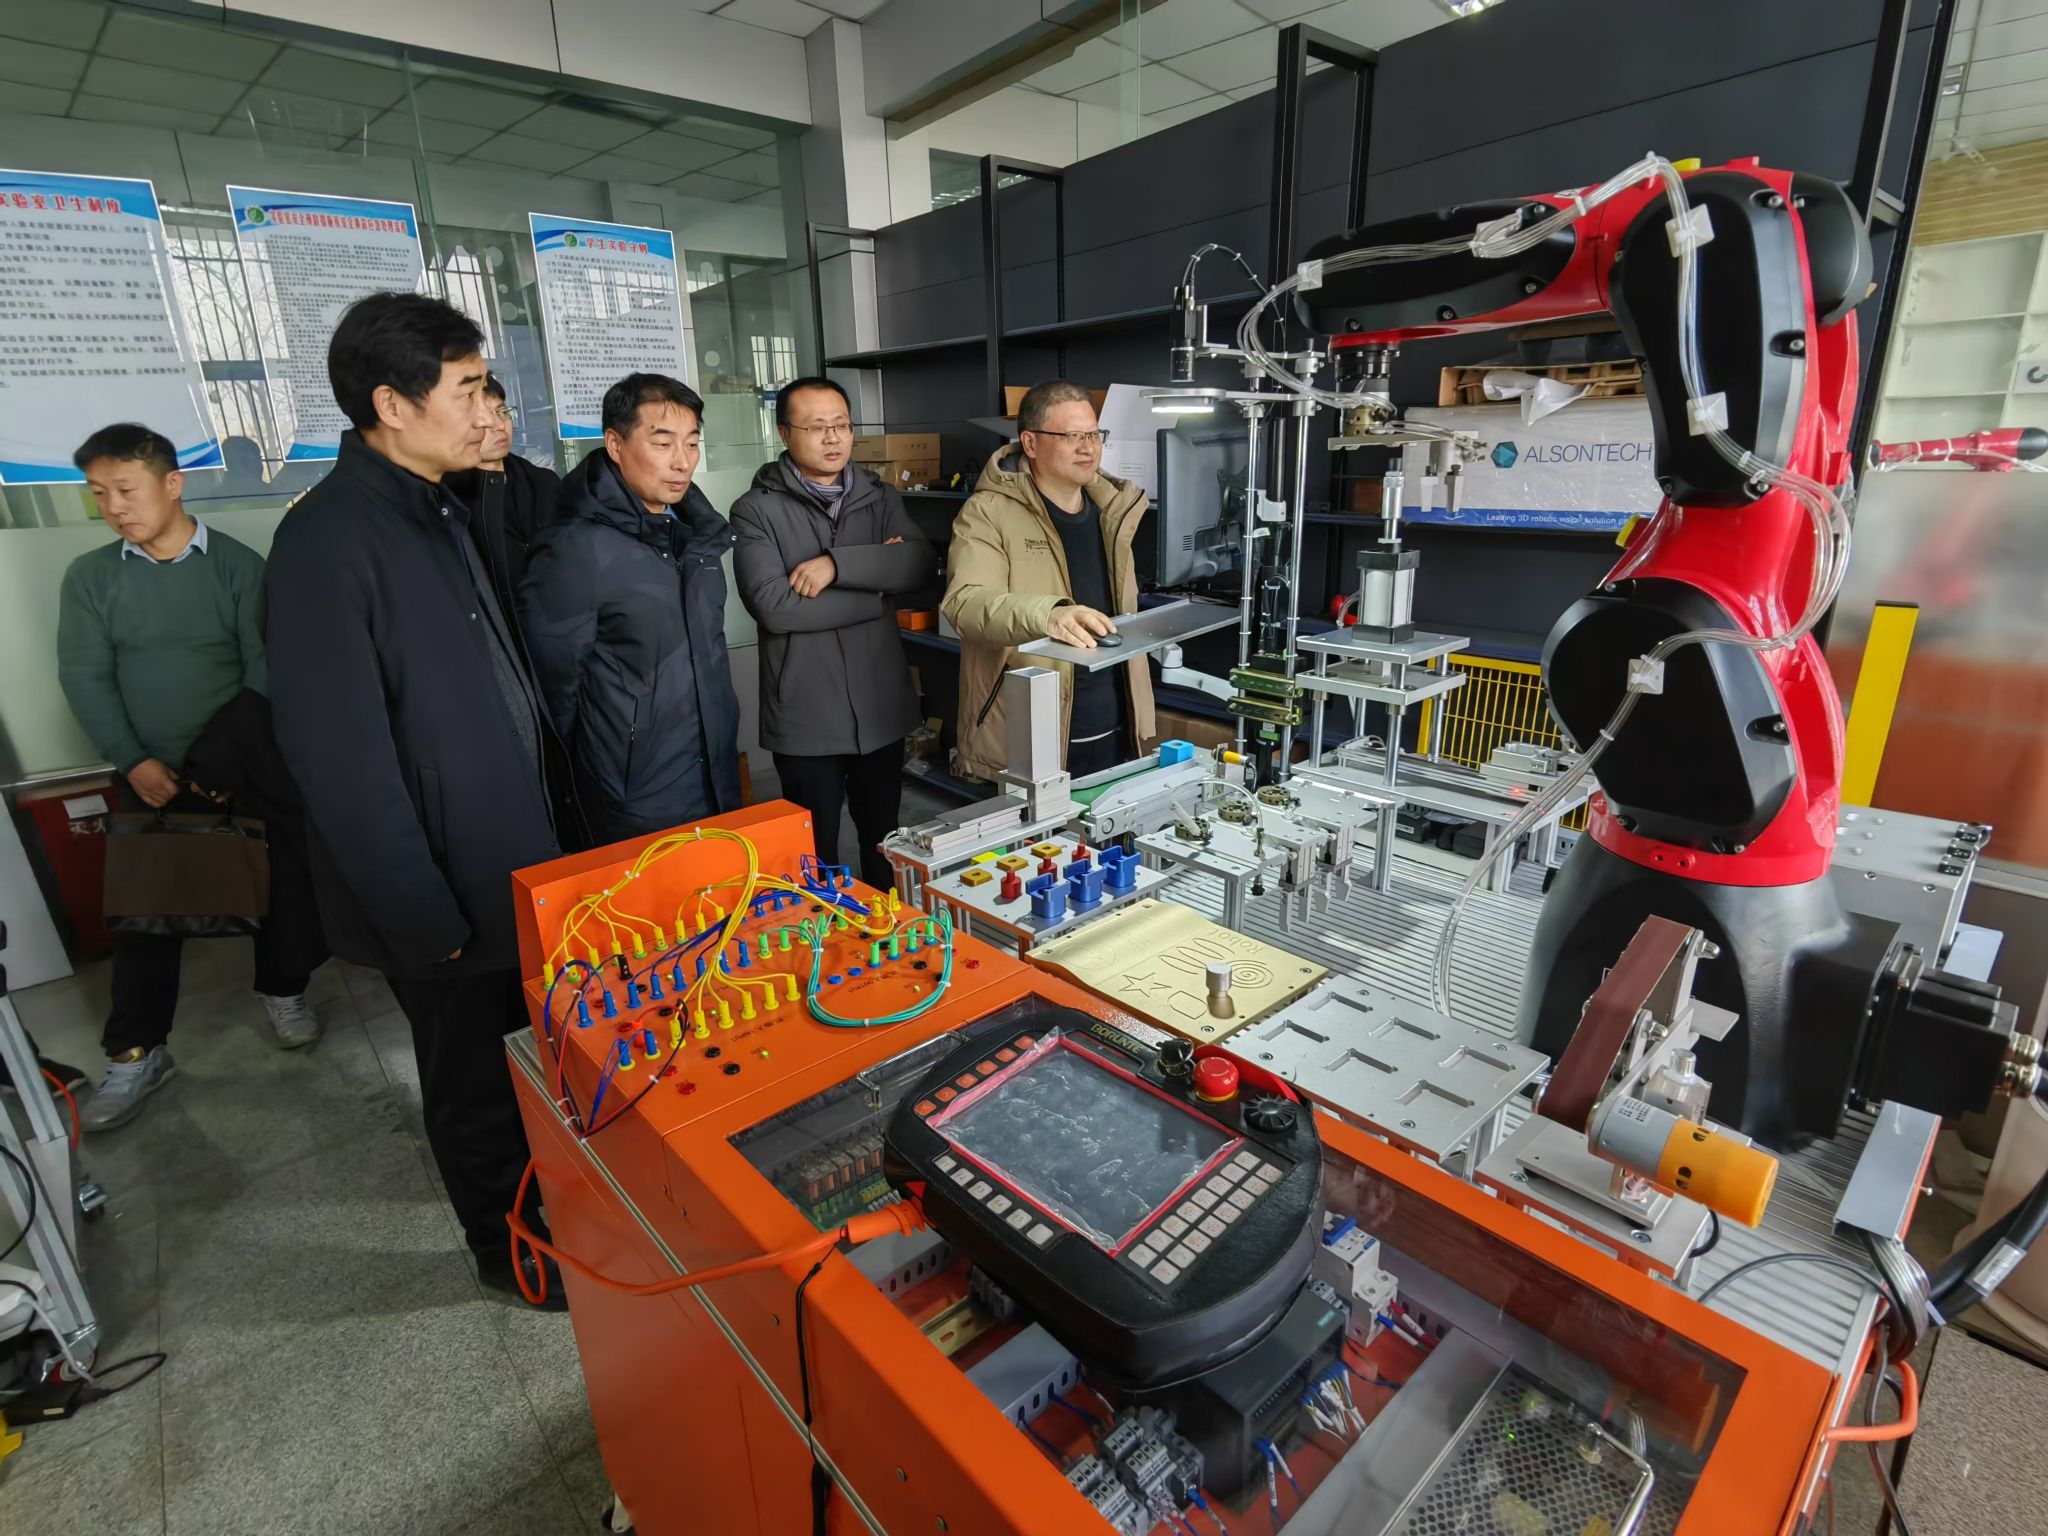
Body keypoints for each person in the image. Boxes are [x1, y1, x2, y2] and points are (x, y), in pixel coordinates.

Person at [263, 293, 565, 1306]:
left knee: (520, 1068)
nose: (487, 410)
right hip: (439, 891)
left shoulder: (437, 507)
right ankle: (508, 1253)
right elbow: (338, 761)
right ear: (393, 405)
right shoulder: (327, 542)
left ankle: (551, 1214)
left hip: (500, 858)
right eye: (467, 389)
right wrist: (419, 916)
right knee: (473, 1083)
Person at [55, 424, 325, 1132]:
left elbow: (264, 669)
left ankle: (284, 990)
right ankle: (137, 1052)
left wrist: (215, 766)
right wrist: (134, 761)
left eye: (125, 489)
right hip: (149, 773)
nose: (113, 506)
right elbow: (84, 676)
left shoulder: (236, 566)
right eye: (98, 494)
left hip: (242, 764)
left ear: (172, 484)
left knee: (281, 888)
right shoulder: (91, 578)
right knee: (147, 917)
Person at [517, 373, 743, 845]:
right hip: (633, 795)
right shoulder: (574, 548)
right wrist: (606, 774)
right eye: (662, 443)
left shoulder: (698, 536)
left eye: (692, 443)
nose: (682, 461)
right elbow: (553, 693)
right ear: (615, 444)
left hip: (713, 770)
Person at [730, 377, 934, 888]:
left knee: (885, 845)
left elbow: (917, 566)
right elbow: (775, 608)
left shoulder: (879, 496)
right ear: (784, 434)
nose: (832, 438)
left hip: (880, 708)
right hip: (807, 716)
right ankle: (825, 934)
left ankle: (885, 929)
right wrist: (875, 590)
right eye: (816, 427)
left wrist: (836, 566)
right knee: (813, 856)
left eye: (841, 425)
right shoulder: (756, 509)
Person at [942, 380, 1154, 781]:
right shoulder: (987, 513)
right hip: (1031, 733)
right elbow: (965, 605)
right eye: (1072, 436)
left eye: (1094, 434)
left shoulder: (1113, 510)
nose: (1088, 448)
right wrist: (1049, 615)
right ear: (1031, 443)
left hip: (1115, 723)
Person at [451, 373, 560, 616]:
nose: (499, 425)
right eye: (484, 417)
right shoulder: (451, 499)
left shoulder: (543, 482)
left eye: (502, 412)